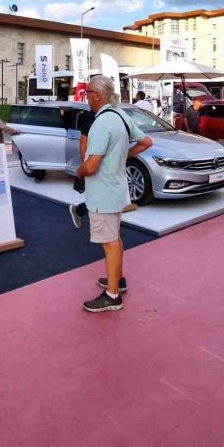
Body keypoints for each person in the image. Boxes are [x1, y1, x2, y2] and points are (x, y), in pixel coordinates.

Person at [75, 76, 152, 313]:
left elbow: (91, 166)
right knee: (114, 238)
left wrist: (79, 172)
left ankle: (112, 296)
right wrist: (122, 156)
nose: (86, 97)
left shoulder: (101, 123)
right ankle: (117, 280)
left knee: (109, 243)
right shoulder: (121, 116)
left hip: (103, 194)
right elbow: (146, 142)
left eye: (88, 93)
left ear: (98, 95)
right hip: (117, 189)